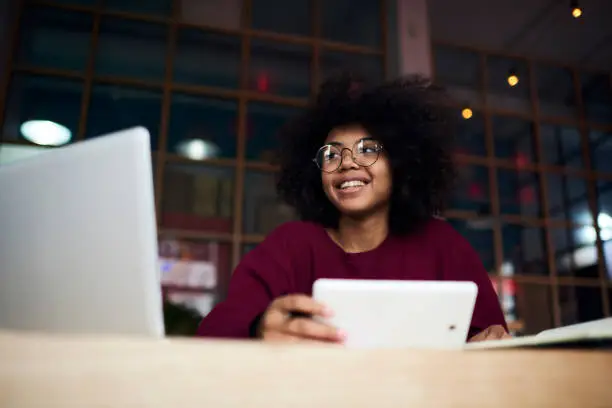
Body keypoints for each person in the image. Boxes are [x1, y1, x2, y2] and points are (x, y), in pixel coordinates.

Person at [198, 72, 510, 343]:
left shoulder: (443, 246)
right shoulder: (290, 246)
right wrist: (258, 329)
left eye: (368, 150)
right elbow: (213, 332)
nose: (347, 162)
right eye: (331, 155)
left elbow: (493, 340)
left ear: (400, 163)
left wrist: (494, 342)